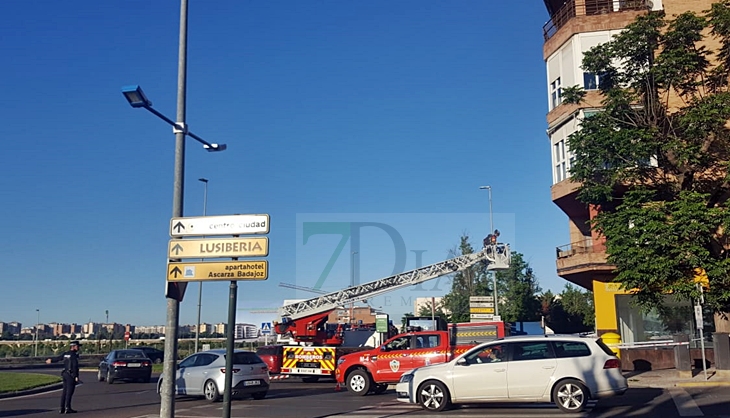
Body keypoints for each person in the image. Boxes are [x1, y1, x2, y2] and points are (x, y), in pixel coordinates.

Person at [46, 340, 81, 414]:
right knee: (69, 392)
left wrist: (51, 360)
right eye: (77, 346)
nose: (78, 348)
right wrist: (76, 376)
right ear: (74, 347)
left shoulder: (66, 354)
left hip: (65, 373)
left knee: (64, 392)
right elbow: (75, 366)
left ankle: (62, 408)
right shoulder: (74, 355)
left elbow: (58, 358)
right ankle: (67, 408)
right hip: (71, 375)